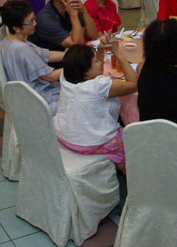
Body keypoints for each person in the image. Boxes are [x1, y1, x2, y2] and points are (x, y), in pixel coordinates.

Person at [54, 39, 138, 170]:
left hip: (64, 135)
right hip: (91, 141)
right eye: (97, 61)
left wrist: (100, 50)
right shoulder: (99, 86)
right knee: (133, 141)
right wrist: (118, 53)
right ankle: (131, 174)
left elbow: (96, 74)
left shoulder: (66, 77)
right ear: (86, 72)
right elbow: (134, 85)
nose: (101, 63)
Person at [0, 0, 64, 114]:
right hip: (37, 101)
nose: (35, 23)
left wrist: (70, 54)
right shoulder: (22, 49)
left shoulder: (8, 40)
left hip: (23, 97)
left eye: (34, 19)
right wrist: (76, 63)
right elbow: (50, 77)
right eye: (30, 22)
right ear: (17, 28)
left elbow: (46, 55)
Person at [28, 0, 99, 52]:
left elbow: (93, 35)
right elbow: (76, 44)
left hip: (62, 59)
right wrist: (74, 16)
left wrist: (84, 11)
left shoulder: (69, 8)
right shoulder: (46, 19)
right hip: (43, 62)